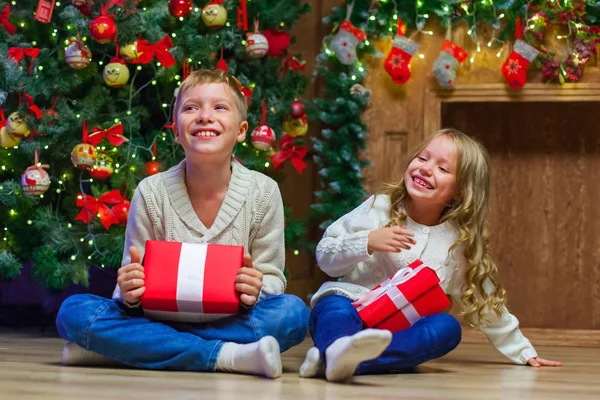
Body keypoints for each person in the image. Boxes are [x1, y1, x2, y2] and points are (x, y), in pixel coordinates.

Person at [56, 69, 308, 379]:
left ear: (241, 130)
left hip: (230, 320)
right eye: (191, 108)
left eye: (219, 107)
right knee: (74, 311)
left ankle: (133, 350)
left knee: (293, 313)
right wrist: (131, 290)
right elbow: (129, 288)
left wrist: (256, 288)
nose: (204, 116)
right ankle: (225, 355)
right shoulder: (152, 192)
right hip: (159, 320)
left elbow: (272, 279)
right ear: (176, 131)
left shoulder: (264, 192)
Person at [300, 128, 562, 382]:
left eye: (443, 168)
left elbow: (485, 301)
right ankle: (340, 356)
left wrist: (524, 352)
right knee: (334, 308)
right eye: (422, 158)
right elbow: (326, 258)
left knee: (446, 329)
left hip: (397, 330)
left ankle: (335, 360)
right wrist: (368, 242)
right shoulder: (379, 207)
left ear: (460, 191)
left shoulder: (457, 244)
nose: (426, 168)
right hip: (351, 307)